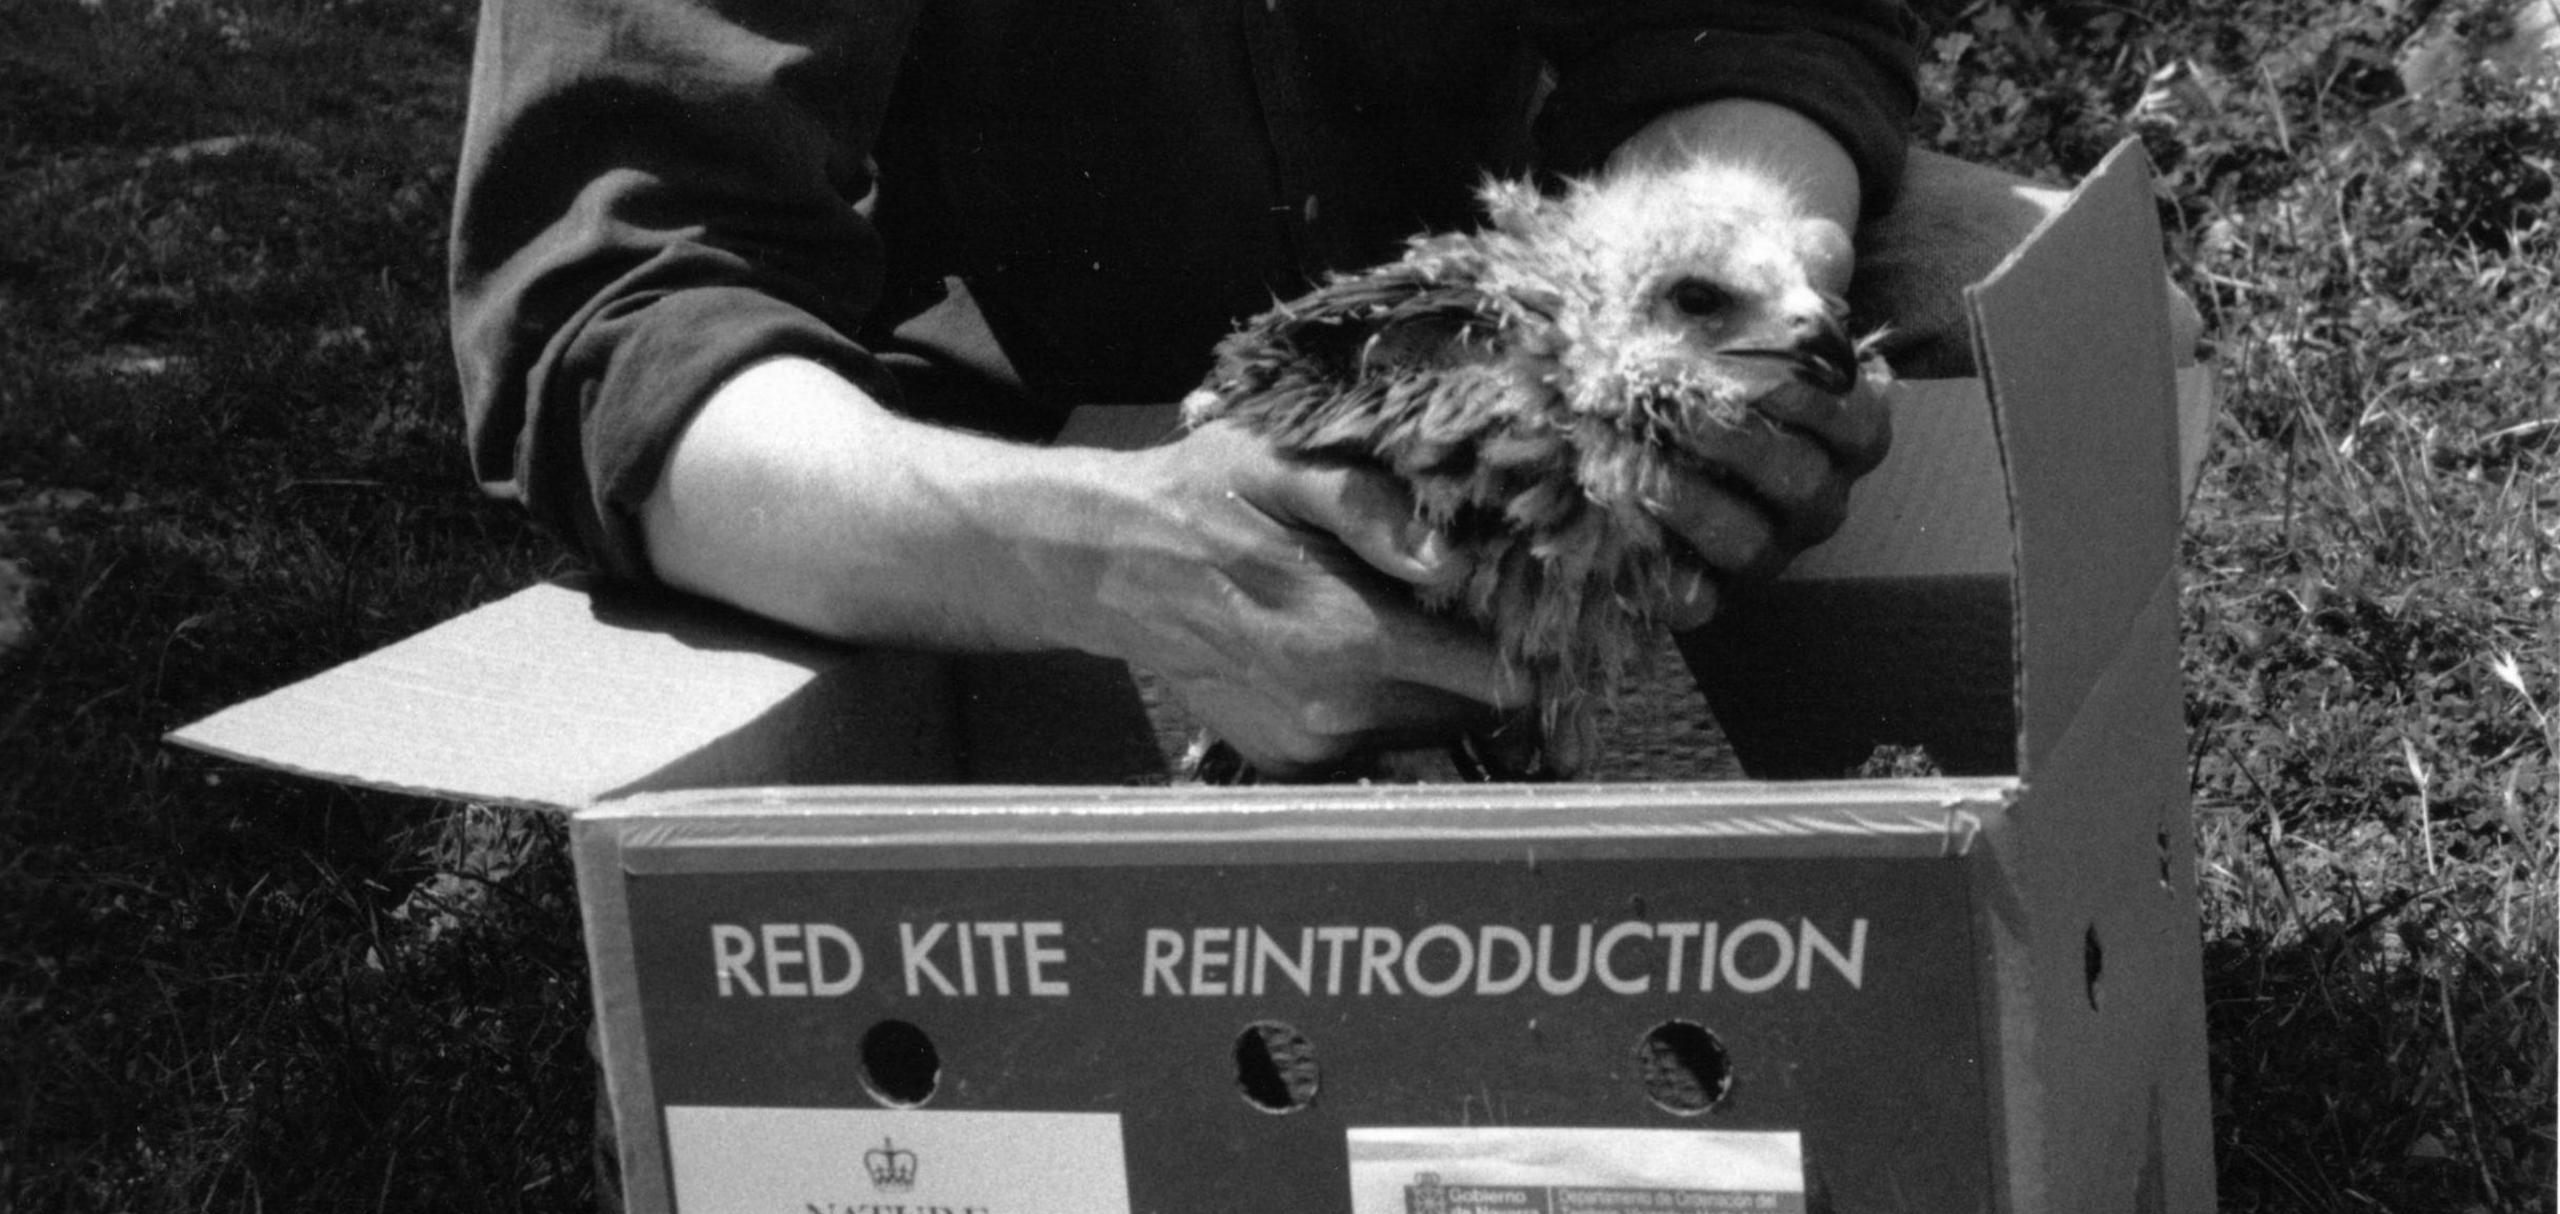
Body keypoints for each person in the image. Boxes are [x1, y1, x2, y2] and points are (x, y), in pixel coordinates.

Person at [451, 0, 2049, 780]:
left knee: (2038, 305)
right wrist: (1123, 554)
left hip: (1509, 324)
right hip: (1023, 440)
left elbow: (1759, 16)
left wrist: (1727, 286)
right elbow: (613, 310)